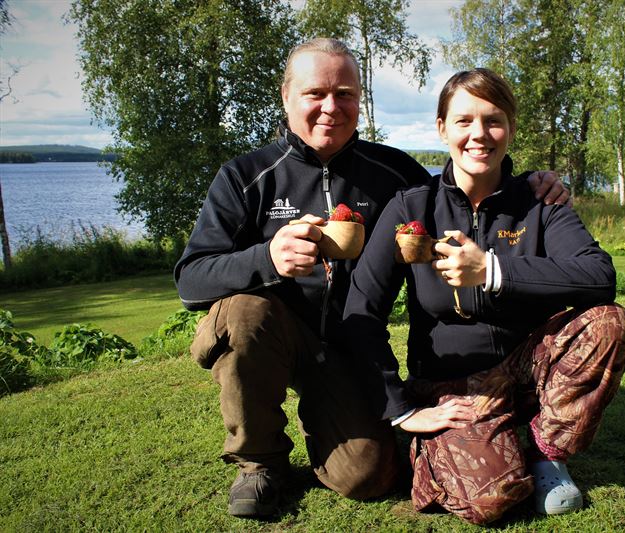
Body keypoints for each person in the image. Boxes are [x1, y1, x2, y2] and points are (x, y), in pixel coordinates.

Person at [175, 39, 570, 519]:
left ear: (359, 99)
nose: (331, 107)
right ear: (286, 96)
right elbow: (191, 279)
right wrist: (267, 258)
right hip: (270, 337)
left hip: (349, 350)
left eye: (344, 94)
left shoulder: (392, 172)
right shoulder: (246, 176)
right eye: (315, 93)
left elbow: (457, 189)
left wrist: (528, 184)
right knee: (245, 311)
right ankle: (259, 463)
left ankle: (334, 424)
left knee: (368, 477)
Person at [343, 68, 625, 525]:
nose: (479, 134)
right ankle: (439, 452)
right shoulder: (411, 207)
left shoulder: (541, 203)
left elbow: (599, 276)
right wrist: (401, 411)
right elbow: (361, 309)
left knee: (608, 322)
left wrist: (492, 271)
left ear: (511, 128)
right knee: (492, 501)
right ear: (442, 129)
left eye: (493, 120)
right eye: (464, 121)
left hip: (527, 371)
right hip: (452, 388)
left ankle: (545, 452)